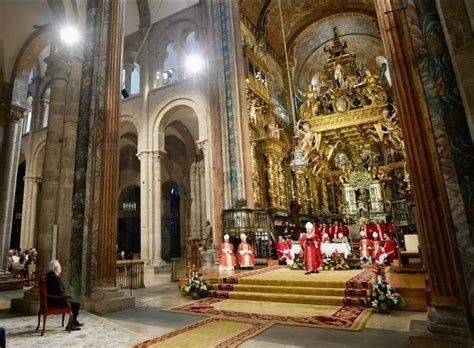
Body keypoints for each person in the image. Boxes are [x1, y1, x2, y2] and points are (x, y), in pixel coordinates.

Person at [45, 260, 83, 331]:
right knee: (77, 304)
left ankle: (74, 321)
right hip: (56, 301)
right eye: (59, 266)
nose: (60, 267)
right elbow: (59, 292)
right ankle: (70, 325)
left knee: (74, 300)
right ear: (55, 268)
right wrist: (65, 296)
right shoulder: (55, 278)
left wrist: (65, 295)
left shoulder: (49, 275)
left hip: (51, 299)